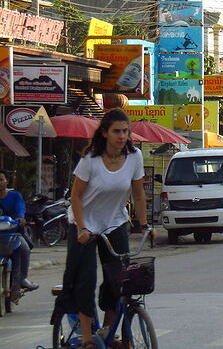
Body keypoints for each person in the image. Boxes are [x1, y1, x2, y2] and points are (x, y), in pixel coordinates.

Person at [55, 108, 153, 349]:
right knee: (85, 280)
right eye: (117, 131)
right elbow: (76, 197)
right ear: (105, 134)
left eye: (125, 131)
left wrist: (144, 225)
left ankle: (109, 332)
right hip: (85, 223)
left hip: (114, 222)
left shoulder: (134, 156)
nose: (122, 136)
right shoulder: (91, 159)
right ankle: (88, 338)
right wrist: (81, 228)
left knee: (119, 279)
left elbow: (138, 195)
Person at [0, 169, 38, 303]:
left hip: (12, 233)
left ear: (6, 181)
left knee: (24, 249)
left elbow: (20, 208)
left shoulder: (15, 196)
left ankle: (22, 278)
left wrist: (20, 218)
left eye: (1, 179)